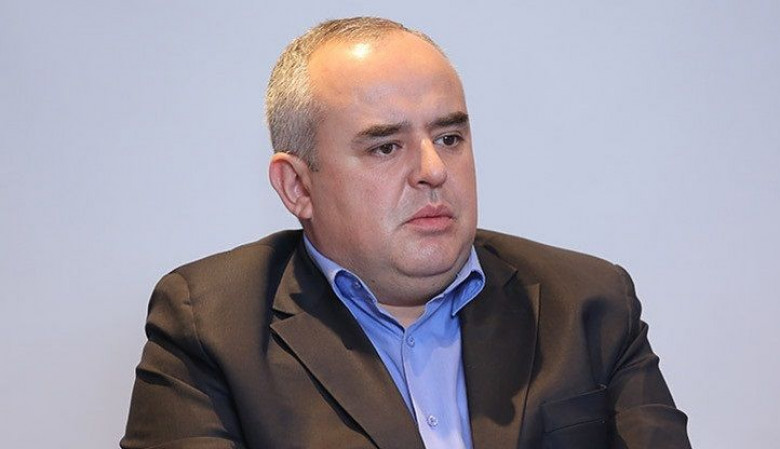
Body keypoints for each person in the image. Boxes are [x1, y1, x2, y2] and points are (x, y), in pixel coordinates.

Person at [121, 17, 691, 449]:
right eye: (386, 147)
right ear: (297, 186)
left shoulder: (590, 302)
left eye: (449, 138)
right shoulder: (210, 328)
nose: (433, 170)